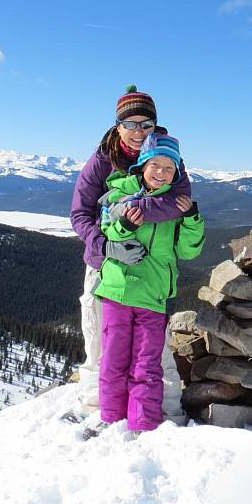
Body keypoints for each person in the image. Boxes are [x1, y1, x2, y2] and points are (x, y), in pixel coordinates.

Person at [67, 86, 191, 421]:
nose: (138, 131)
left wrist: (123, 207)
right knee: (99, 340)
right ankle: (98, 410)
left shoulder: (166, 154)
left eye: (146, 124)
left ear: (155, 125)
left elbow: (179, 202)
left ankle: (166, 411)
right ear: (118, 126)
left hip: (151, 268)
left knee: (154, 347)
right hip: (105, 263)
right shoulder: (103, 160)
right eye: (131, 123)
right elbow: (79, 214)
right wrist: (107, 245)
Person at [82, 133, 205, 438]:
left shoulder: (176, 206)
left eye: (169, 168)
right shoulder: (118, 196)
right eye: (156, 165)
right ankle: (111, 418)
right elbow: (108, 232)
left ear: (176, 172)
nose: (161, 173)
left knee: (147, 365)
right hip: (118, 291)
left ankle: (143, 424)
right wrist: (123, 227)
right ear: (142, 165)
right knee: (112, 359)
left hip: (152, 295)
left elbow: (189, 251)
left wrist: (192, 220)